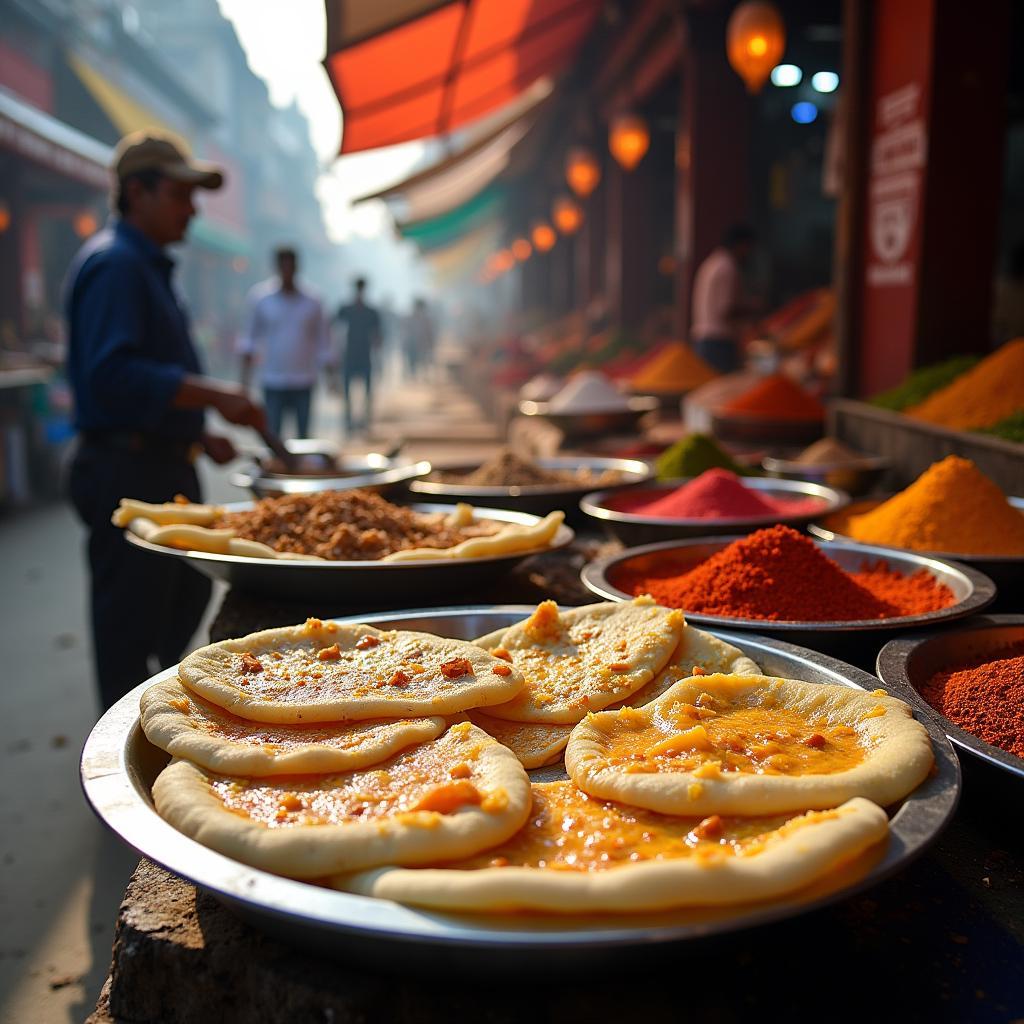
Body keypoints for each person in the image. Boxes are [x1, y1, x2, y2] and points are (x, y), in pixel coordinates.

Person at [65, 130, 266, 712]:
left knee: (185, 590)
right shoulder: (116, 265)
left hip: (161, 460)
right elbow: (112, 375)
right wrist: (215, 395)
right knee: (128, 621)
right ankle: (121, 751)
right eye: (179, 194)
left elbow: (140, 383)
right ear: (138, 193)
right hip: (125, 470)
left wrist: (196, 432)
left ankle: (154, 706)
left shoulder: (146, 267)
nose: (192, 209)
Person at [238, 247, 330, 439]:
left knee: (303, 439)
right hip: (273, 380)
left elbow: (324, 341)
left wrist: (331, 375)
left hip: (304, 379)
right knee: (273, 436)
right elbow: (249, 339)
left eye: (291, 265)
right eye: (283, 265)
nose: (287, 270)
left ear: (297, 267)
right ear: (277, 267)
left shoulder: (313, 300)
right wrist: (244, 382)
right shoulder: (261, 298)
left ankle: (302, 470)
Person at [690, 224, 758, 374]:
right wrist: (753, 309)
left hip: (705, 340)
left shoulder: (712, 263)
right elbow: (726, 311)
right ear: (741, 245)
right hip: (718, 342)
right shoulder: (727, 267)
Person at [335, 277, 381, 433]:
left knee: (366, 392)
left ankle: (364, 420)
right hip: (349, 355)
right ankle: (349, 421)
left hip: (364, 355)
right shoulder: (345, 310)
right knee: (348, 393)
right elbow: (335, 331)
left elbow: (377, 336)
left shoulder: (371, 312)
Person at [404, 297, 436, 380]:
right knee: (413, 361)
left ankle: (422, 377)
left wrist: (430, 342)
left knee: (423, 361)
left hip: (423, 343)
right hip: (412, 343)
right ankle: (414, 377)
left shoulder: (426, 319)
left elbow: (430, 332)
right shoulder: (410, 317)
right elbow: (406, 331)